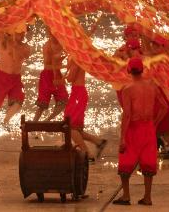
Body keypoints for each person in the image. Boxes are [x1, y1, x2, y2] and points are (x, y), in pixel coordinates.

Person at [115, 57, 159, 206]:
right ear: (142, 70)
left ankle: (126, 196)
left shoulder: (127, 89)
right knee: (148, 161)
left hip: (134, 127)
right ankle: (147, 197)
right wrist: (155, 123)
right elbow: (165, 107)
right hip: (148, 128)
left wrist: (122, 138)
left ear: (128, 70)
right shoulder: (152, 86)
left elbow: (127, 115)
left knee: (126, 161)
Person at [64, 55, 107, 161]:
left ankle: (87, 154)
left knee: (70, 125)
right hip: (78, 92)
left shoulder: (76, 59)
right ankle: (98, 142)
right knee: (74, 127)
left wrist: (66, 71)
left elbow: (71, 78)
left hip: (78, 93)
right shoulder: (76, 58)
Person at [0, 29, 31, 128]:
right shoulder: (4, 41)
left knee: (19, 101)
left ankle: (5, 121)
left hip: (16, 78)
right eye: (20, 32)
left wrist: (15, 45)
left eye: (24, 33)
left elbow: (26, 55)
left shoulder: (25, 46)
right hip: (2, 76)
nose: (23, 35)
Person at [32, 29, 68, 122]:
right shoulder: (47, 46)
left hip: (57, 74)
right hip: (47, 76)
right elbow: (47, 65)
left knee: (63, 101)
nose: (55, 35)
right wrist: (63, 65)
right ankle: (34, 123)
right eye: (53, 33)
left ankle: (47, 120)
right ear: (49, 33)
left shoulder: (61, 44)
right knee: (42, 104)